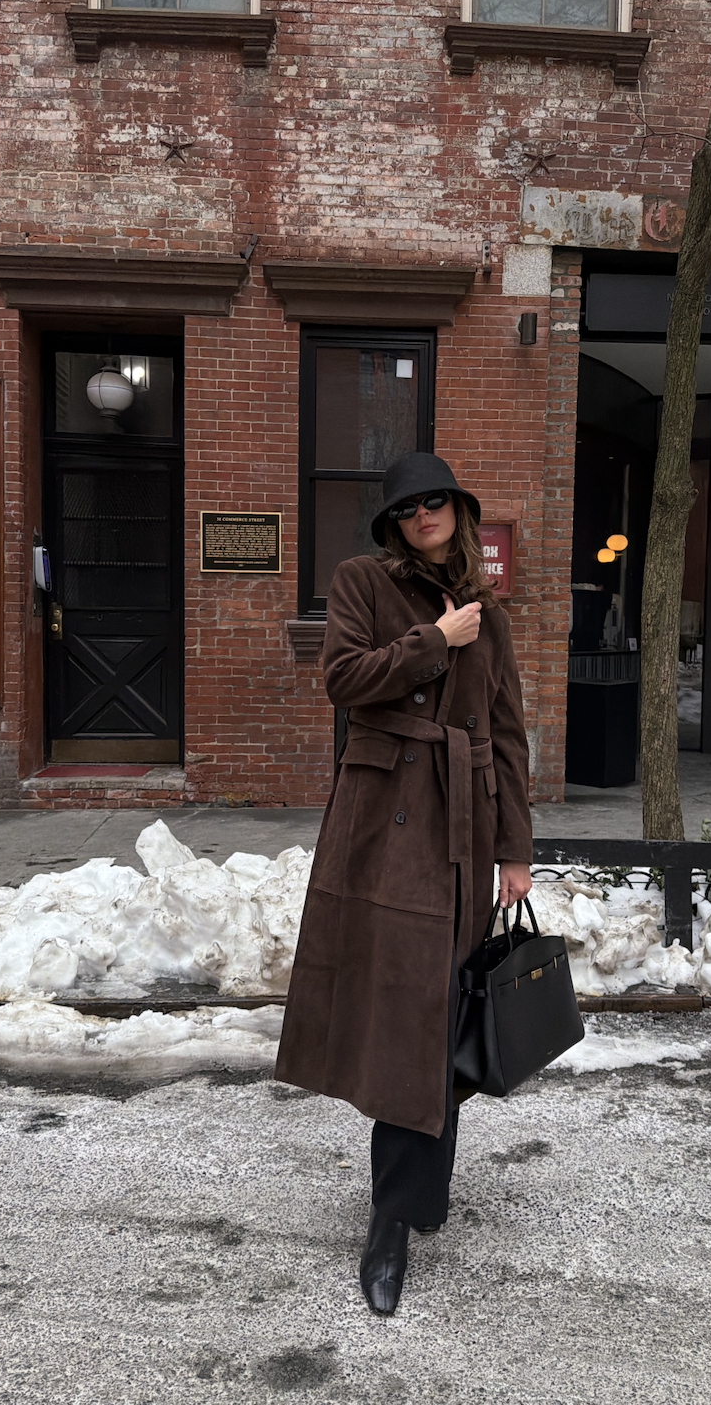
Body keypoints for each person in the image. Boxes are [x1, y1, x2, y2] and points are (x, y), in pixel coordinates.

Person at [275, 451, 533, 1315]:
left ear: (459, 510)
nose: (425, 514)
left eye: (438, 502)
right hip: (385, 825)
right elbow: (342, 681)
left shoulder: (488, 615)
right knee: (402, 1017)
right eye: (409, 506)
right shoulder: (361, 581)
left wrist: (515, 850)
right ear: (393, 521)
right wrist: (433, 642)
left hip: (461, 827)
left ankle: (416, 1199)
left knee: (443, 1010)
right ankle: (393, 1220)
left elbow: (506, 737)